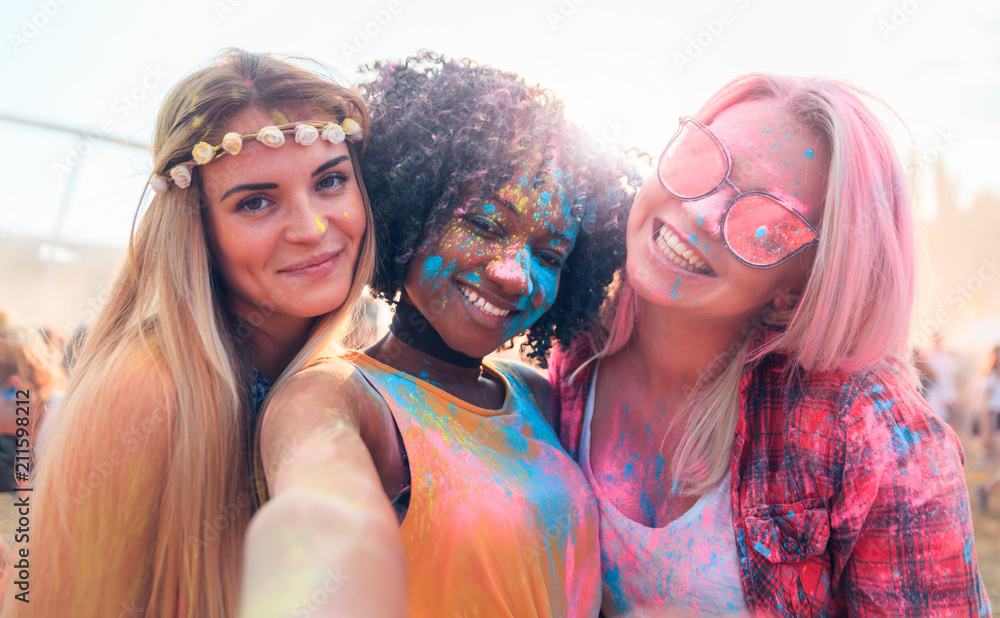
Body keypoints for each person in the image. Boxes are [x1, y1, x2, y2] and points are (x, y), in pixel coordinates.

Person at [549, 73, 992, 616]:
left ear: (797, 289)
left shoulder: (871, 433)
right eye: (701, 156)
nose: (701, 214)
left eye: (768, 218)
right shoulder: (572, 345)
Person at [243, 53, 640, 617]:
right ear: (408, 205)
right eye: (483, 223)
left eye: (549, 254)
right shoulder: (336, 395)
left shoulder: (541, 397)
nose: (513, 273)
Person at [3, 49, 375, 618]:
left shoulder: (359, 376)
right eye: (255, 201)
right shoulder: (145, 387)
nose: (311, 228)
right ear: (196, 227)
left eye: (330, 181)